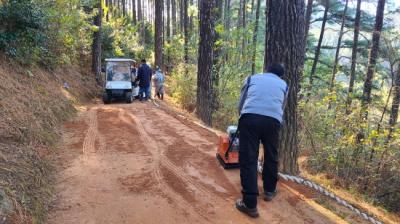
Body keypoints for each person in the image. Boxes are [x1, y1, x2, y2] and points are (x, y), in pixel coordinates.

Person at [235, 63, 288, 218]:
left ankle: (250, 204)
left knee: (249, 158)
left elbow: (242, 101)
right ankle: (269, 191)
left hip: (250, 117)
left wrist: (242, 116)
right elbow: (282, 107)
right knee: (271, 155)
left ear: (266, 70)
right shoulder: (284, 85)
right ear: (281, 76)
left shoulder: (252, 78)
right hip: (273, 121)